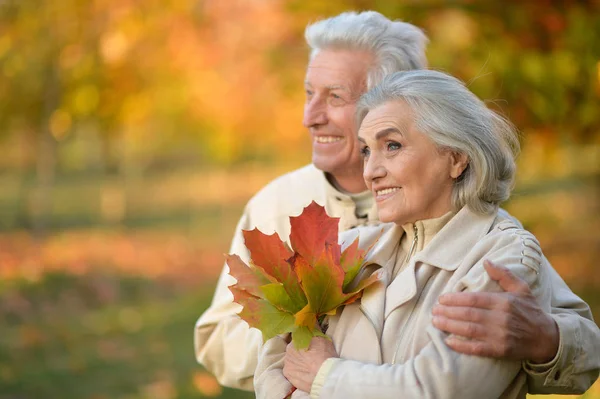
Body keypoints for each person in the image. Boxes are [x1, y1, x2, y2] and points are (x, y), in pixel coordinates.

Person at [194, 11, 600, 394]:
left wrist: (547, 341)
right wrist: (304, 340)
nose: (310, 116)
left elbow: (573, 346)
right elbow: (239, 346)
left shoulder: (492, 241)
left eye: (335, 96)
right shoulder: (280, 205)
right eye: (308, 94)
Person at [254, 69, 569, 398]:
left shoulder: (499, 259)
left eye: (392, 146)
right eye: (366, 150)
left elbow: (440, 390)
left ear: (456, 158)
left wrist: (327, 376)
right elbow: (274, 366)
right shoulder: (347, 246)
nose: (371, 172)